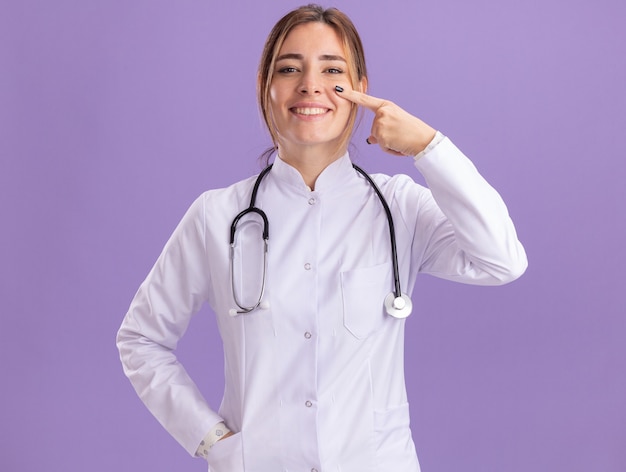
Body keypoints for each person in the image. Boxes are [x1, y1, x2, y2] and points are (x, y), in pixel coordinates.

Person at [116, 4, 528, 471]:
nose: (310, 85)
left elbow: (502, 261)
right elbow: (141, 338)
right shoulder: (218, 215)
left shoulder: (398, 207)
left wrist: (429, 147)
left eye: (332, 70)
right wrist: (210, 437)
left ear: (360, 92)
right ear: (264, 88)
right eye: (289, 68)